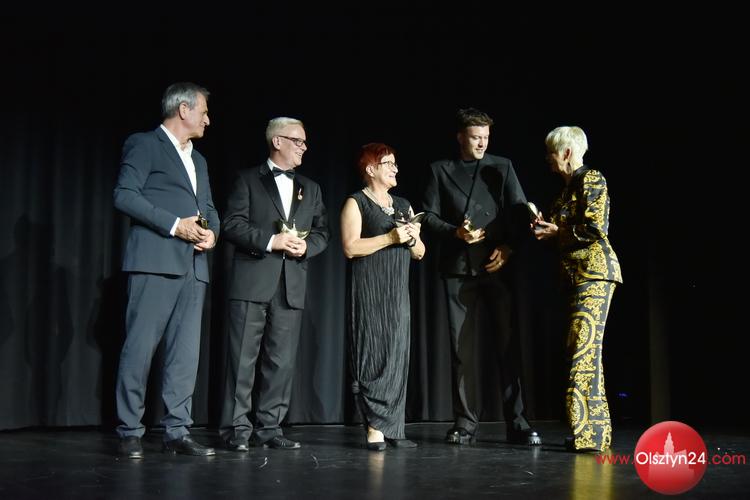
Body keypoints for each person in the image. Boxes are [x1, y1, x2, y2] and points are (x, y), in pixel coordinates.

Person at [422, 108, 541, 446]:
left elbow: (520, 212)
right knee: (462, 351)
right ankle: (465, 422)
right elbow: (428, 216)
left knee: (508, 346)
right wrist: (455, 232)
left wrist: (508, 248)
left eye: (486, 138)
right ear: (460, 137)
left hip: (496, 266)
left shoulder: (502, 167)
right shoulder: (440, 170)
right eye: (475, 137)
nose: (481, 144)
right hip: (458, 270)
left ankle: (517, 422)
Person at [113, 82, 218, 458]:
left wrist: (212, 233)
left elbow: (208, 207)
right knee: (140, 348)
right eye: (203, 111)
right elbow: (124, 195)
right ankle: (129, 430)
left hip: (193, 267)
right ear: (183, 110)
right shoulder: (144, 144)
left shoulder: (199, 160)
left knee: (185, 354)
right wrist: (175, 226)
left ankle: (177, 431)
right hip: (154, 263)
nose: (208, 119)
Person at [220, 117, 329, 451]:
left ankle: (269, 428)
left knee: (281, 362)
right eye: (298, 141)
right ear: (277, 141)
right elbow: (231, 225)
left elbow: (323, 232)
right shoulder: (247, 180)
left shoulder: (311, 188)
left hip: (290, 285)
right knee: (242, 361)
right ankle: (236, 430)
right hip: (252, 282)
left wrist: (306, 247)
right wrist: (271, 241)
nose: (304, 148)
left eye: (305, 142)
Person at [532, 126, 622, 452]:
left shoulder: (591, 179)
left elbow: (596, 228)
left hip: (595, 273)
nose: (548, 159)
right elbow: (563, 234)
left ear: (567, 152)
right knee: (583, 352)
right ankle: (594, 434)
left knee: (583, 352)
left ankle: (590, 436)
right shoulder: (564, 192)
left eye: (551, 152)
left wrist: (558, 231)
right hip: (575, 277)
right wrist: (546, 229)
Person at [341, 143, 425, 451]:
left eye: (395, 163)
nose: (395, 169)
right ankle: (374, 426)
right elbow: (350, 247)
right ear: (370, 169)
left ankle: (394, 428)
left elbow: (420, 252)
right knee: (373, 353)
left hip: (397, 292)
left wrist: (412, 239)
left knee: (397, 356)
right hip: (370, 290)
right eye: (388, 163)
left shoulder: (403, 205)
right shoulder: (357, 202)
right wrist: (390, 237)